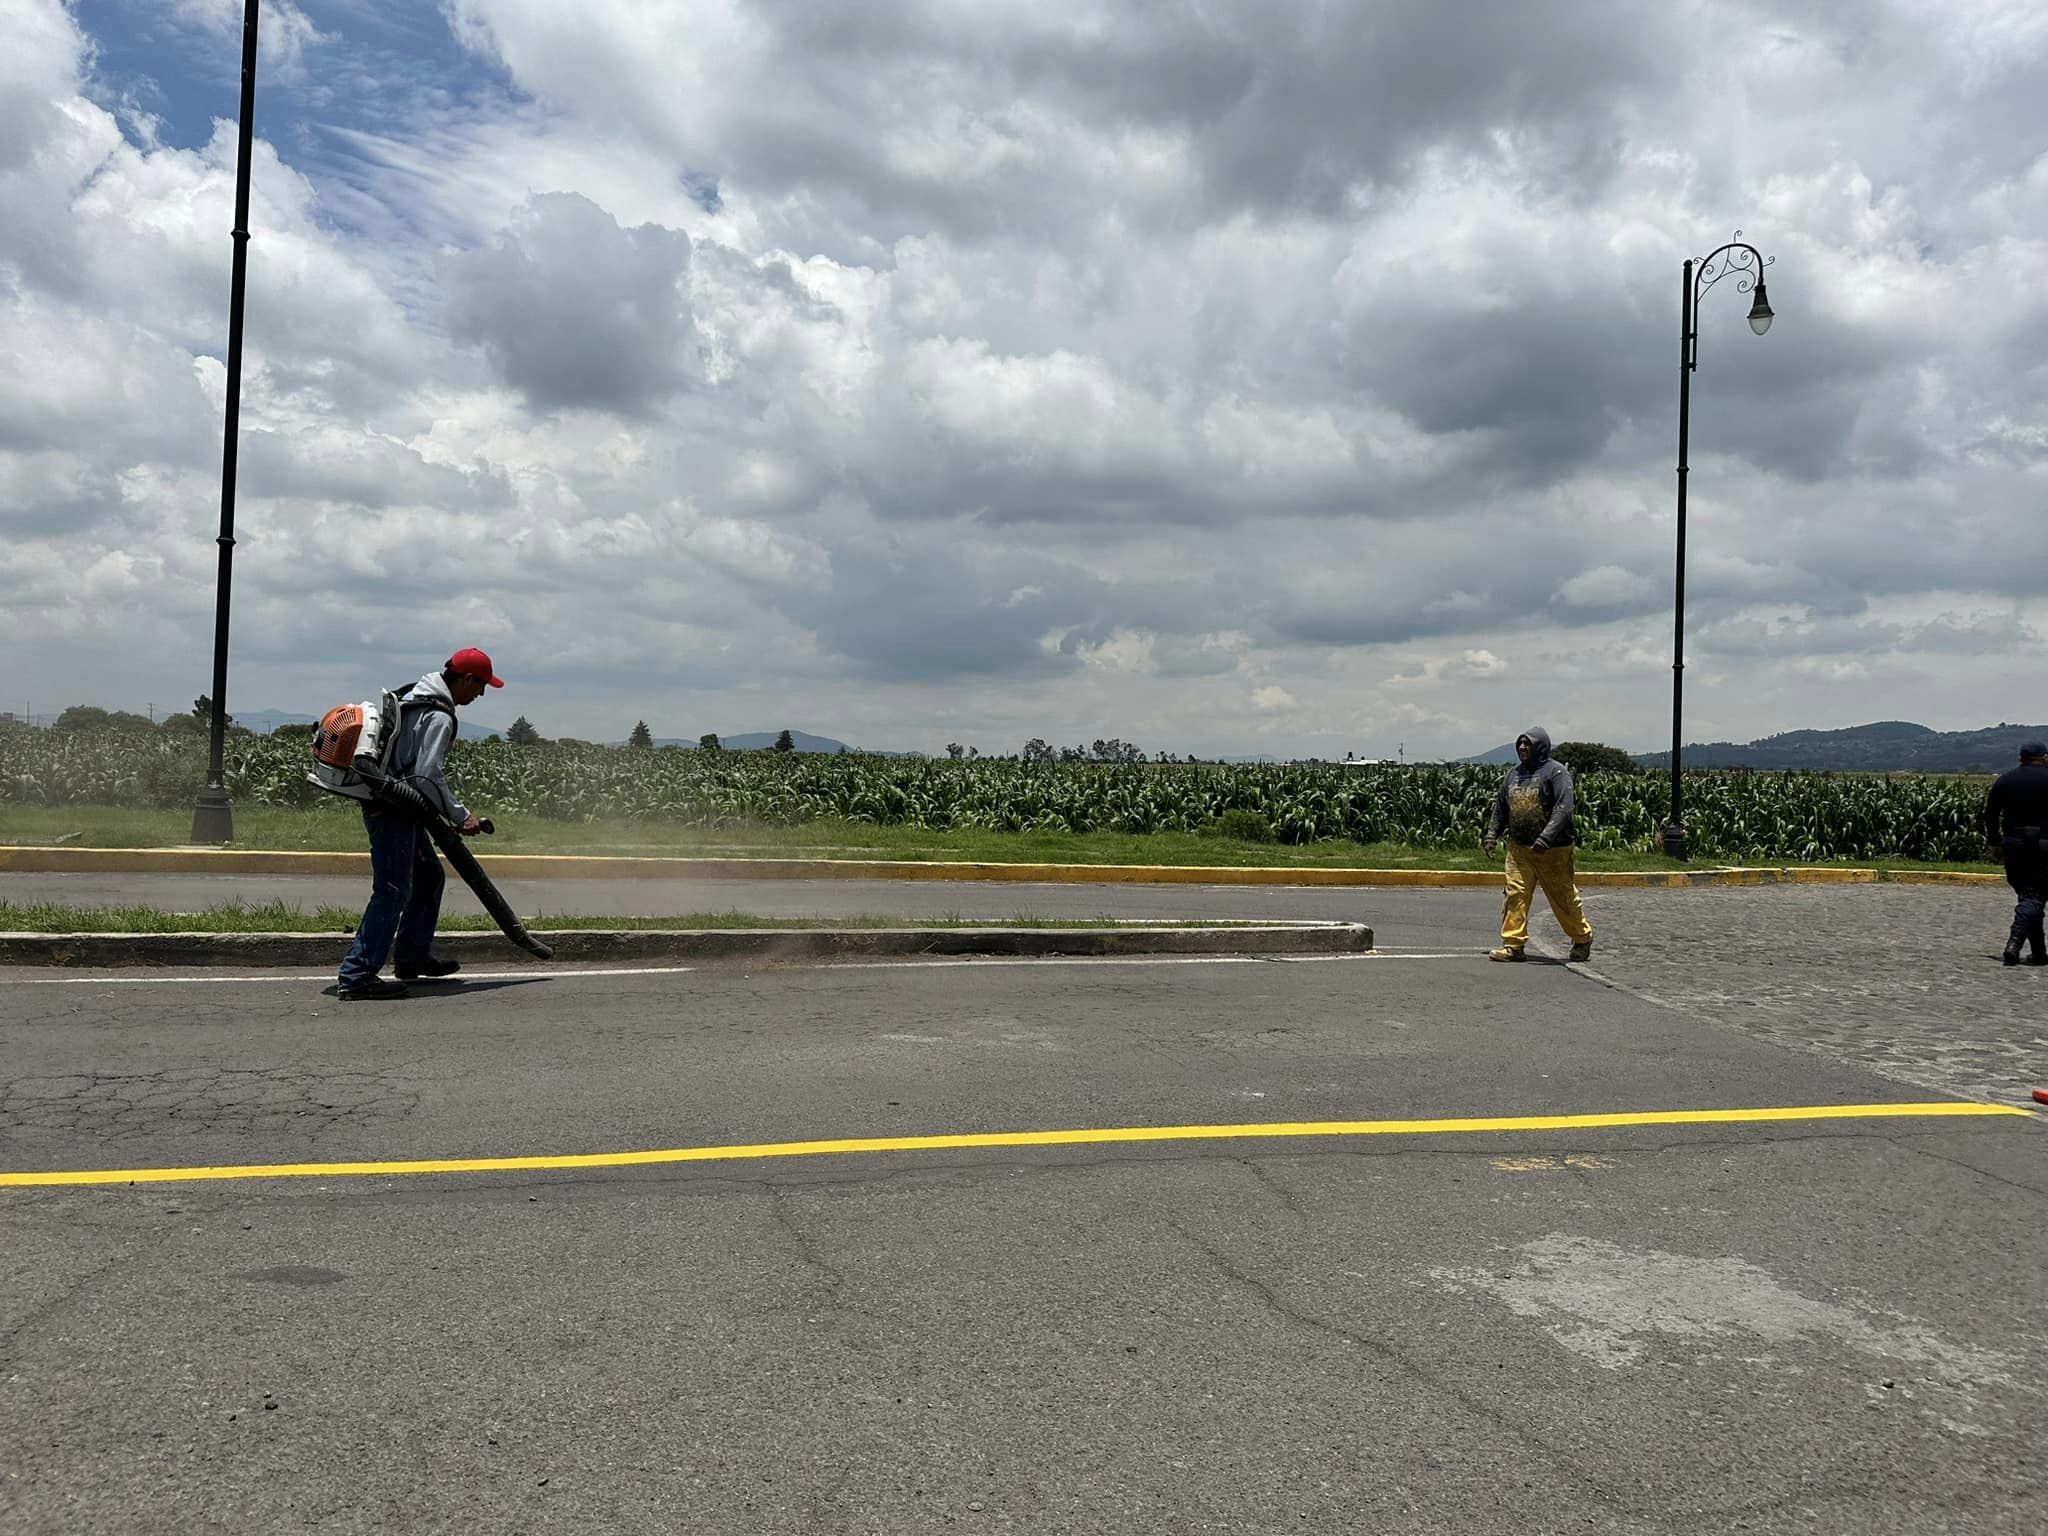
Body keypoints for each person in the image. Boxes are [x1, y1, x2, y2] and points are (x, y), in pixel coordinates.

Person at [335, 649, 503, 1001]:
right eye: (481, 686)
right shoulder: (439, 716)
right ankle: (357, 975)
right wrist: (461, 815)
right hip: (392, 808)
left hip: (397, 805)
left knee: (429, 878)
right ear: (466, 679)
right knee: (393, 890)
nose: (481, 694)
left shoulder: (415, 696)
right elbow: (427, 775)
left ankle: (411, 957)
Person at [1482, 726, 1594, 963]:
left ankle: (1582, 938)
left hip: (1554, 850)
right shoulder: (1513, 775)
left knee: (1563, 898)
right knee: (1515, 894)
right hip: (1519, 849)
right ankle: (1513, 945)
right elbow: (1501, 808)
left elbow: (1564, 808)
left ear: (1540, 747)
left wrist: (1546, 837)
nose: (1523, 747)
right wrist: (1492, 835)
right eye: (1520, 743)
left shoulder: (1556, 773)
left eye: (1528, 744)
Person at [1985, 739, 2048, 967]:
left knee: (2028, 896)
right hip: (2044, 845)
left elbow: (1990, 815)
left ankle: (2039, 953)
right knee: (2034, 897)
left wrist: (1994, 844)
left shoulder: (2006, 780)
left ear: (2021, 758)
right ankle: (2014, 943)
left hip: (2013, 845)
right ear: (2044, 757)